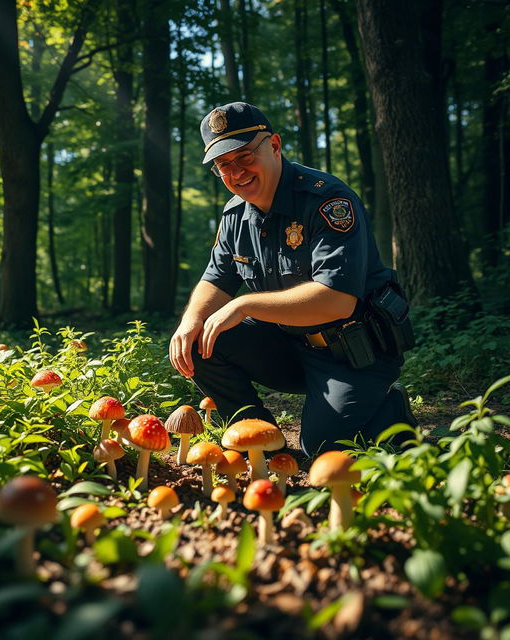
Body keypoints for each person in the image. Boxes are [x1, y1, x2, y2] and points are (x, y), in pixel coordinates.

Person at [168, 101, 416, 456]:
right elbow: (217, 278)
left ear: (273, 145)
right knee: (198, 340)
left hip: (353, 353)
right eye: (224, 165)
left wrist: (245, 304)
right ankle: (256, 440)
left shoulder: (327, 200)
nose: (236, 173)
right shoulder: (235, 214)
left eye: (244, 157)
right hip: (291, 346)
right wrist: (190, 320)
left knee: (324, 450)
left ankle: (390, 411)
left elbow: (336, 300)